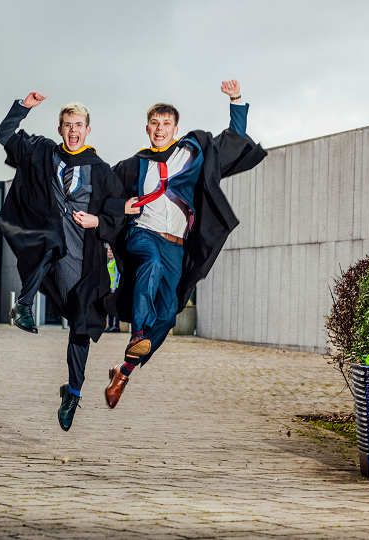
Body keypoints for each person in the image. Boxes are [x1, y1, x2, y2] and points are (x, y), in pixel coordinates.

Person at [105, 80, 267, 408]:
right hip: (143, 233)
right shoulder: (133, 165)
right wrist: (119, 207)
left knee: (166, 316)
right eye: (155, 124)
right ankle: (138, 334)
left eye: (166, 124)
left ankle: (124, 370)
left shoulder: (193, 151)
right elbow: (100, 194)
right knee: (147, 264)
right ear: (147, 129)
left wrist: (235, 99)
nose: (160, 128)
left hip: (176, 245)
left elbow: (233, 140)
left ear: (175, 128)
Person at [0, 92, 126, 431]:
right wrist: (22, 107)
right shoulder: (43, 153)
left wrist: (98, 221)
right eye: (67, 125)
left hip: (84, 262)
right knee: (48, 240)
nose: (72, 131)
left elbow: (118, 211)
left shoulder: (102, 171)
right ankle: (21, 307)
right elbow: (5, 136)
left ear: (88, 130)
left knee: (81, 327)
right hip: (47, 244)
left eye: (78, 126)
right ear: (60, 128)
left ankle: (73, 392)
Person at [106, 246, 120, 332]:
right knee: (109, 308)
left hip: (113, 288)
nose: (109, 253)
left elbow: (117, 276)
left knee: (114, 308)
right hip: (109, 287)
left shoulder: (115, 263)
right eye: (108, 252)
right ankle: (110, 325)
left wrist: (114, 287)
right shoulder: (109, 263)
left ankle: (116, 326)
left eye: (111, 252)